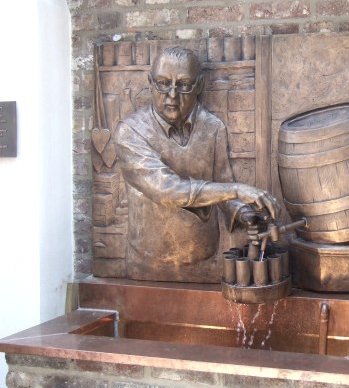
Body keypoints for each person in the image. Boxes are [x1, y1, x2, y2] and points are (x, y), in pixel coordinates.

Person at [114, 46, 279, 282]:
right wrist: (238, 190)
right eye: (163, 83)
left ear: (199, 85)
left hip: (207, 261)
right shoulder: (131, 132)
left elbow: (223, 187)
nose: (172, 95)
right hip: (150, 265)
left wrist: (246, 215)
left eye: (183, 85)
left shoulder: (213, 128)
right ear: (150, 83)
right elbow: (166, 189)